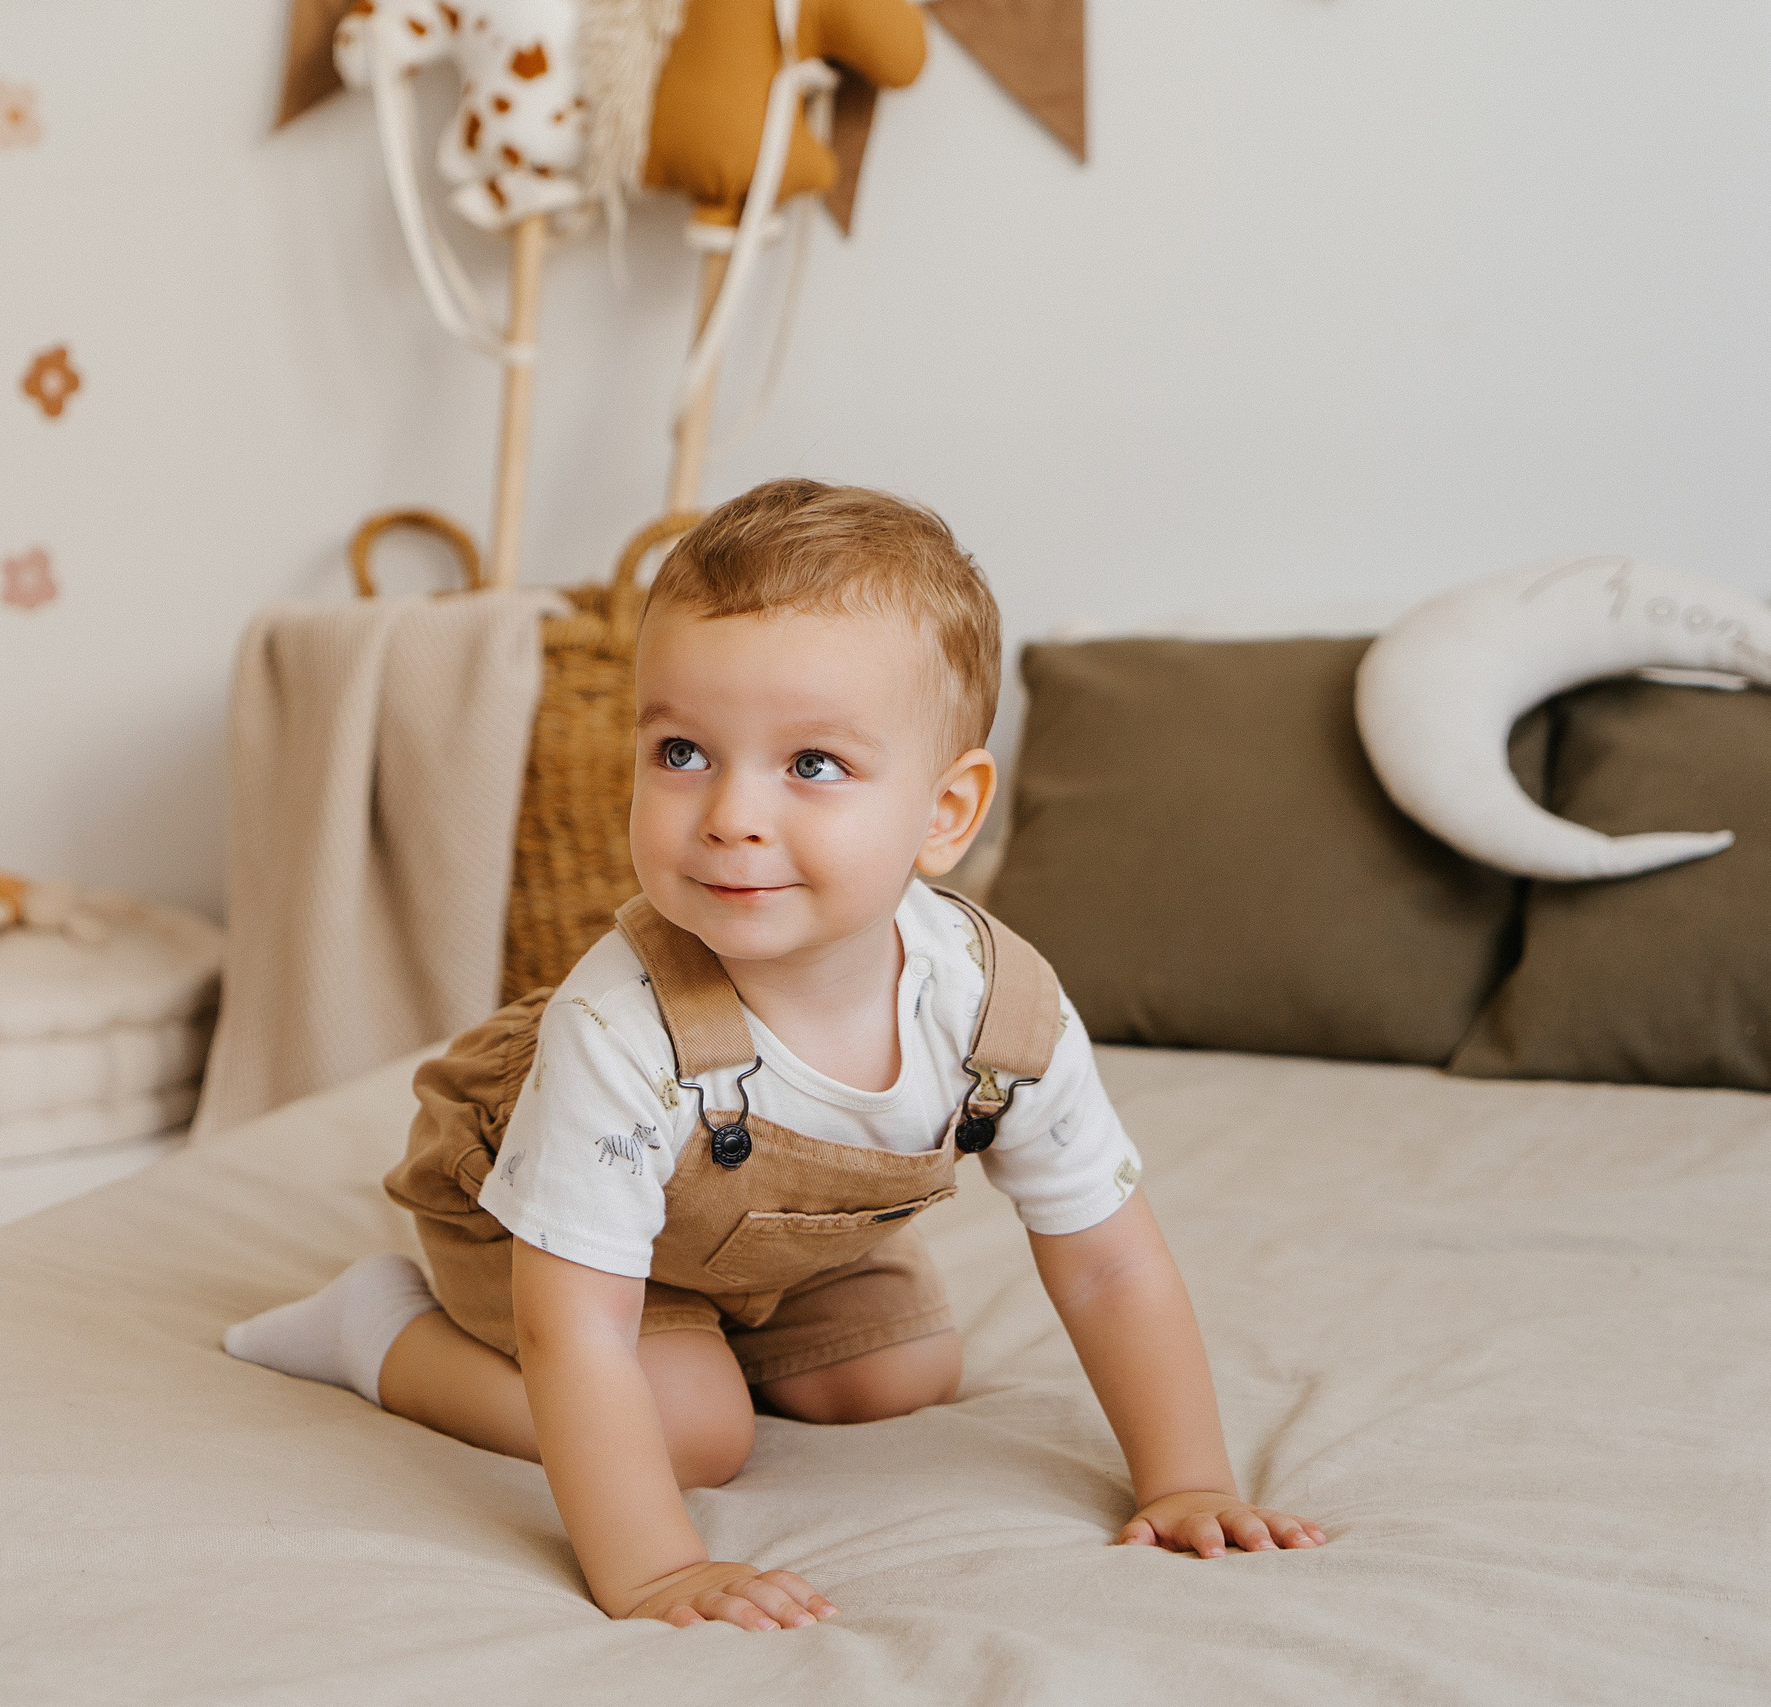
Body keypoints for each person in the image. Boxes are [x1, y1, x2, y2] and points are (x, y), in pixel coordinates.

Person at [222, 479, 1324, 1630]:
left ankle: (703, 1336)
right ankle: (384, 1332)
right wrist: (653, 1569)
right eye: (684, 751)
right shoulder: (619, 1026)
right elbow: (574, 1326)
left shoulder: (998, 1012)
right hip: (527, 1227)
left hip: (757, 1256)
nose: (730, 814)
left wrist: (1188, 1480)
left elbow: (1107, 1265)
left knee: (892, 1377)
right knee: (698, 1432)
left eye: (811, 766)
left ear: (947, 813)